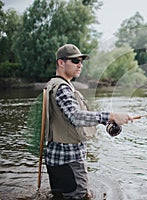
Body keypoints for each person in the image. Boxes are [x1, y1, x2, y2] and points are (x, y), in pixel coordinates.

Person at [44, 44, 133, 199]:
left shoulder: (51, 84)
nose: (80, 64)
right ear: (61, 63)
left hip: (54, 159)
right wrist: (110, 116)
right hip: (69, 160)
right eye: (75, 61)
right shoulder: (63, 88)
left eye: (81, 61)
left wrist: (107, 121)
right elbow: (76, 117)